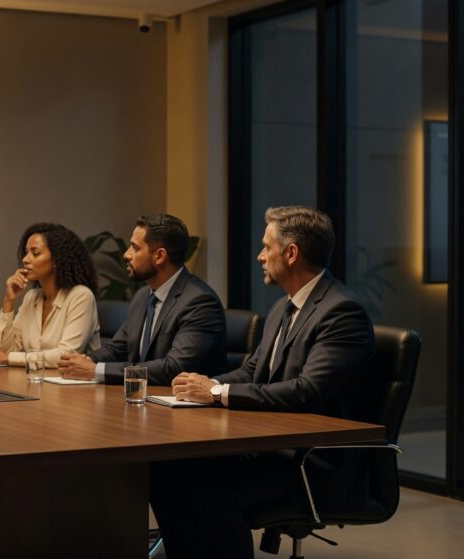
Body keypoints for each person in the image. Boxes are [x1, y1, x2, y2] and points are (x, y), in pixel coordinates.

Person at [153, 206, 376, 559]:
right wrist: (205, 382)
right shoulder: (283, 308)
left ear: (290, 253)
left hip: (314, 461)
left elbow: (307, 391)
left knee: (210, 488)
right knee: (167, 472)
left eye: (266, 247)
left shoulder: (341, 311)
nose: (259, 255)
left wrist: (215, 393)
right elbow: (252, 370)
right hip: (275, 448)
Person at [58, 214, 226, 385]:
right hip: (142, 400)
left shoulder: (200, 302)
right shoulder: (143, 295)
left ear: (160, 256)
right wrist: (80, 362)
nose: (126, 254)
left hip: (185, 407)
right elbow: (117, 349)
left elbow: (174, 368)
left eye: (135, 248)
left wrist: (96, 370)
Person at [0, 223, 101, 368]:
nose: (25, 259)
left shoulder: (81, 296)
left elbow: (65, 355)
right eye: (26, 252)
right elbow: (4, 351)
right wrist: (9, 301)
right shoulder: (31, 297)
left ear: (57, 260)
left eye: (36, 253)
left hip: (77, 388)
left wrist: (8, 357)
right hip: (37, 383)